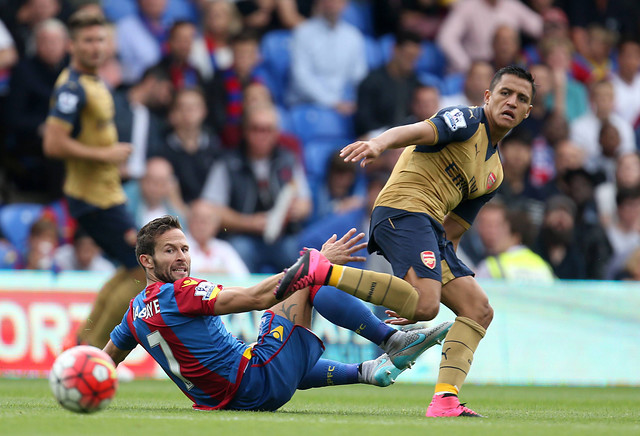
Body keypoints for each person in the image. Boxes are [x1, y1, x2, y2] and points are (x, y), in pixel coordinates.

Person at [279, 65, 537, 417]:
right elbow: (418, 130)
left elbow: (455, 229)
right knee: (426, 305)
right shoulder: (465, 119)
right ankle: (319, 270)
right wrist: (378, 143)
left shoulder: (494, 173)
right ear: (488, 96)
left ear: (527, 112)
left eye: (521, 98)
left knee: (477, 308)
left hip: (431, 229)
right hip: (403, 208)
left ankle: (445, 400)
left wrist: (435, 280)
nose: (512, 102)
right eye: (505, 93)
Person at [103, 215, 453, 411]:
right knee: (311, 281)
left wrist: (81, 376)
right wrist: (316, 260)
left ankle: (366, 371)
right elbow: (257, 297)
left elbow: (105, 360)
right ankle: (392, 340)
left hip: (227, 399)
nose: (182, 257)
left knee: (269, 347)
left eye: (183, 248)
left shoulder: (134, 313)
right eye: (169, 251)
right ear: (146, 261)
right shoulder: (181, 292)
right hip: (254, 384)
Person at [43, 10, 146, 348]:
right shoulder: (71, 87)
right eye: (87, 40)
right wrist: (105, 155)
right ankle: (92, 353)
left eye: (100, 39)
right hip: (93, 198)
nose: (95, 46)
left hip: (107, 193)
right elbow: (53, 143)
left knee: (131, 267)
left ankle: (81, 346)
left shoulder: (93, 80)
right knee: (143, 270)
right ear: (72, 45)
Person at [473, 201, 554, 281]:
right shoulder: (542, 266)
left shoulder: (492, 266)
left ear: (515, 236)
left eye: (501, 230)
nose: (495, 234)